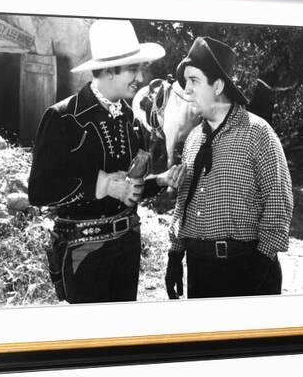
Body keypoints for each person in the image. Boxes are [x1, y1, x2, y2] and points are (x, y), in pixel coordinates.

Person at [29, 19, 186, 304]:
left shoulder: (132, 120)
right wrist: (101, 184)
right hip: (83, 251)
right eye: (133, 68)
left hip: (127, 247)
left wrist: (160, 181)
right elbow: (39, 191)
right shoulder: (63, 117)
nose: (140, 76)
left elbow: (128, 189)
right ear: (110, 70)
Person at [165, 36, 293, 299]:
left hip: (247, 268)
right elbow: (183, 202)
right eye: (185, 81)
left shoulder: (258, 133)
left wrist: (258, 268)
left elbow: (278, 204)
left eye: (194, 80)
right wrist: (175, 255)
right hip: (199, 270)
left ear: (218, 85)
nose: (186, 90)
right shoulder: (192, 140)